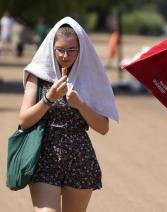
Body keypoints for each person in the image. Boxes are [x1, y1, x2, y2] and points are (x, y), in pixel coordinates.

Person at [19, 17, 118, 212]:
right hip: (44, 153)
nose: (65, 55)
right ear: (51, 47)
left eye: (72, 50)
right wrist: (49, 98)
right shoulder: (38, 75)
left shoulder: (89, 79)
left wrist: (80, 105)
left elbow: (103, 128)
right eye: (61, 49)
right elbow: (24, 120)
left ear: (81, 50)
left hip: (80, 156)